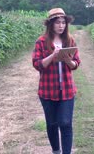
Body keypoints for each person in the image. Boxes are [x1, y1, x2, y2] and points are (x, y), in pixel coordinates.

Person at [32, 8, 81, 154]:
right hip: (47, 90)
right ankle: (56, 151)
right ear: (50, 24)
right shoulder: (41, 42)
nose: (61, 26)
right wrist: (53, 56)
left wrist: (68, 61)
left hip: (67, 89)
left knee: (65, 123)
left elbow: (76, 64)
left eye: (63, 23)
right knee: (52, 124)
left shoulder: (69, 41)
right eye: (58, 22)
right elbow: (37, 64)